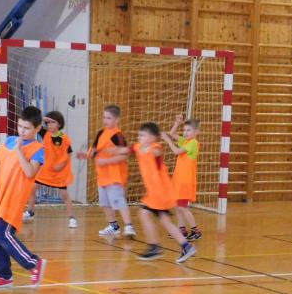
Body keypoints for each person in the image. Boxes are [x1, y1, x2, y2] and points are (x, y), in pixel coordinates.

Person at [0, 105, 48, 291]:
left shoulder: (38, 149)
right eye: (20, 126)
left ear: (37, 129)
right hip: (1, 195)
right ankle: (4, 276)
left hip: (15, 197)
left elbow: (30, 173)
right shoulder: (9, 141)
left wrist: (20, 151)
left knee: (2, 233)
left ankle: (33, 263)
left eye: (27, 128)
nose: (22, 131)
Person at [123, 122, 196, 263]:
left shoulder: (155, 148)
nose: (139, 137)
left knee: (143, 213)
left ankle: (154, 247)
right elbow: (127, 150)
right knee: (165, 221)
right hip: (158, 193)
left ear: (152, 137)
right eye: (139, 135)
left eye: (143, 135)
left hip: (160, 193)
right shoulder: (139, 147)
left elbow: (157, 152)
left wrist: (149, 148)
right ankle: (187, 247)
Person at [77, 104, 135, 238]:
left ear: (117, 120)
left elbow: (124, 155)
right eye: (104, 117)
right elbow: (94, 151)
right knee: (104, 203)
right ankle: (113, 226)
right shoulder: (101, 133)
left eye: (109, 118)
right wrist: (85, 155)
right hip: (102, 176)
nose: (105, 120)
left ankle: (129, 226)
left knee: (118, 201)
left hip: (115, 176)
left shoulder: (117, 135)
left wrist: (106, 161)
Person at [23, 110, 77, 228]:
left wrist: (62, 165)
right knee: (32, 188)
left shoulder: (63, 138)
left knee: (65, 196)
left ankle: (72, 219)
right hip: (46, 171)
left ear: (59, 124)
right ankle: (30, 212)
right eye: (49, 123)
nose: (50, 125)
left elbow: (69, 153)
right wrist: (45, 119)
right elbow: (37, 124)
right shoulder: (45, 133)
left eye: (53, 122)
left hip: (59, 172)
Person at [162, 115, 202, 240]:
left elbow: (176, 151)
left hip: (186, 181)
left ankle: (196, 231)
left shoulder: (193, 143)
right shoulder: (186, 141)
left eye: (188, 130)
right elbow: (172, 133)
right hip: (179, 180)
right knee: (178, 206)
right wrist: (177, 123)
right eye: (184, 130)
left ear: (196, 132)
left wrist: (168, 141)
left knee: (183, 207)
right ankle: (182, 230)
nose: (185, 132)